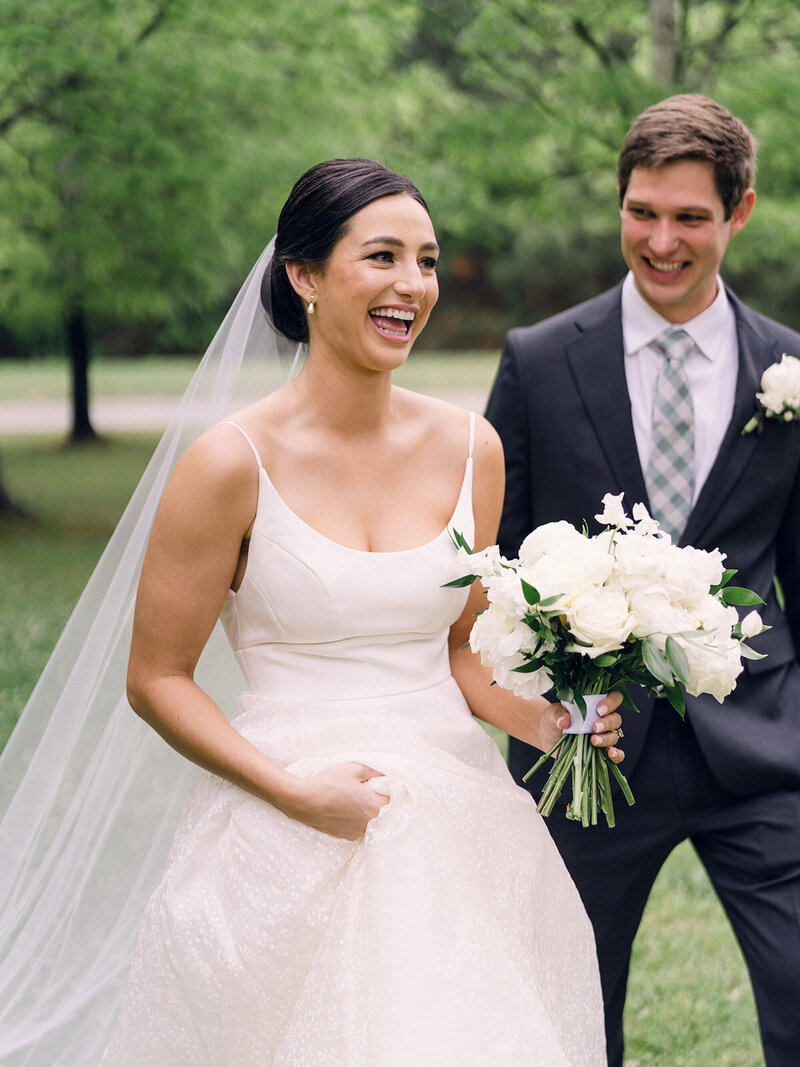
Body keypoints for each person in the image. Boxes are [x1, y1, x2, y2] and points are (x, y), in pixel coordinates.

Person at [0, 158, 627, 1065]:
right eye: (382, 257)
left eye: (427, 259)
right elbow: (156, 677)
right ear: (304, 276)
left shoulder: (471, 448)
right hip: (284, 814)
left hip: (458, 822)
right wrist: (295, 791)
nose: (412, 285)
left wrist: (548, 719)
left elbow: (460, 648)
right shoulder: (228, 463)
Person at [486, 95, 800, 1066]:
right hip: (584, 751)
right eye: (640, 212)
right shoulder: (535, 363)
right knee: (568, 1013)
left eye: (688, 218)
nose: (659, 241)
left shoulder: (788, 370)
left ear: (736, 213)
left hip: (759, 747)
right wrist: (539, 704)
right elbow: (491, 568)